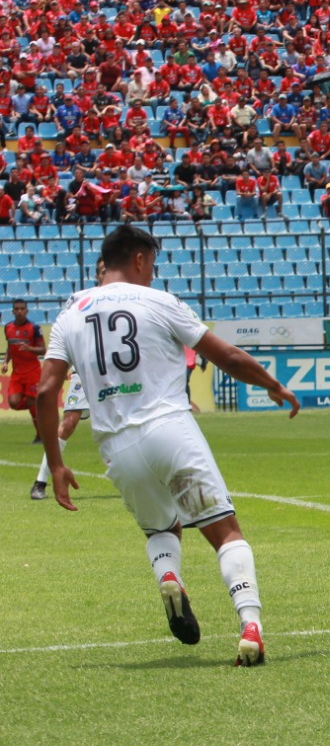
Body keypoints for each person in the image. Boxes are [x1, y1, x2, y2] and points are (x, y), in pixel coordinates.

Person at [35, 225, 300, 666]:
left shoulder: (69, 314)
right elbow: (227, 356)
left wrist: (57, 464)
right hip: (169, 428)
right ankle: (250, 624)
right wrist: (273, 385)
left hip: (115, 447)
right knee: (224, 531)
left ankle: (170, 573)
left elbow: (47, 392)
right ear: (139, 259)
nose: (152, 274)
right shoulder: (158, 301)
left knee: (161, 528)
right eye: (152, 265)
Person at [32, 259, 106, 500]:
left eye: (109, 268)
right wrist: (66, 361)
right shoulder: (81, 300)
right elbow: (67, 330)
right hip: (85, 371)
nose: (106, 273)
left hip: (116, 373)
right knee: (69, 423)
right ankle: (41, 482)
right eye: (102, 270)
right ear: (96, 275)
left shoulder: (129, 298)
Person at [4, 298, 45, 442]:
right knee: (14, 403)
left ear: (26, 311)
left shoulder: (34, 328)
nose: (19, 311)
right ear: (13, 311)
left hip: (32, 372)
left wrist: (30, 349)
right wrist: (5, 362)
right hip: (17, 373)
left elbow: (43, 350)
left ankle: (40, 436)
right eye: (17, 309)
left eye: (22, 309)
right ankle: (37, 407)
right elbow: (10, 347)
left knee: (33, 403)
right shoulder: (8, 327)